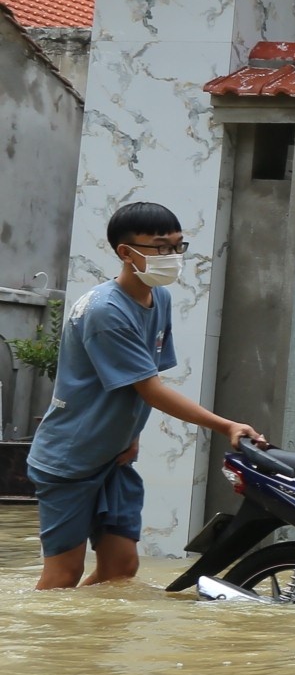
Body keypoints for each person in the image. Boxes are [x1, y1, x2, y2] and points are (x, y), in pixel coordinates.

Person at [28, 202, 266, 590]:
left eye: (177, 246)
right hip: (70, 460)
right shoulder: (105, 312)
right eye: (160, 247)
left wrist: (132, 436)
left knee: (121, 570)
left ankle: (83, 648)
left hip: (114, 457)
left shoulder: (160, 299)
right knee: (62, 576)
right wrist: (226, 425)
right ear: (126, 252)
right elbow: (149, 389)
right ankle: (36, 645)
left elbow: (141, 377)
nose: (171, 257)